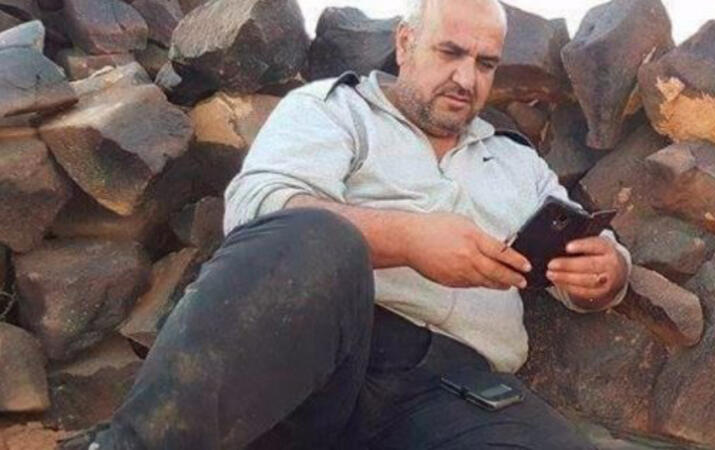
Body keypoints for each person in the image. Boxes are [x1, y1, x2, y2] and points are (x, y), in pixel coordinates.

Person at [61, 0, 630, 448]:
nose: (466, 78)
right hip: (316, 354)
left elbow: (582, 241)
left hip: (458, 389)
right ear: (405, 44)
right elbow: (259, 210)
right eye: (450, 52)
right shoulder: (333, 109)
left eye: (485, 64)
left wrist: (608, 272)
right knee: (315, 238)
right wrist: (408, 239)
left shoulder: (516, 160)